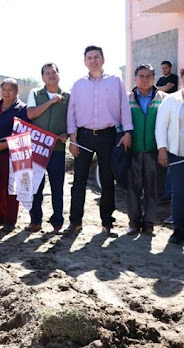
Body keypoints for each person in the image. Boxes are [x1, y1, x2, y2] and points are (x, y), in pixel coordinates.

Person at [64, 45, 133, 237]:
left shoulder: (115, 81)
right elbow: (72, 112)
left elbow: (124, 108)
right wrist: (72, 137)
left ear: (103, 59)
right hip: (83, 136)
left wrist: (128, 131)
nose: (93, 60)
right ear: (84, 61)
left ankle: (107, 223)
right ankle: (75, 222)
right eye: (89, 57)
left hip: (108, 136)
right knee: (79, 181)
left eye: (96, 57)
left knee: (107, 181)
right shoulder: (78, 85)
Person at [25, 63, 70, 233]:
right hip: (37, 149)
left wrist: (67, 133)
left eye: (54, 72)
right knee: (36, 186)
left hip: (57, 149)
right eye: (47, 73)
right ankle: (35, 220)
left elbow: (73, 120)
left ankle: (57, 221)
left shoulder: (68, 96)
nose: (51, 75)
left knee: (57, 187)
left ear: (59, 74)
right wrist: (51, 102)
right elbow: (31, 114)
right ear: (42, 77)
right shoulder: (35, 94)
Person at [125, 64, 168, 236]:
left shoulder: (163, 98)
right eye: (141, 76)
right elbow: (120, 121)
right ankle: (134, 223)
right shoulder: (127, 98)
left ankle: (149, 223)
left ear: (154, 78)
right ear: (135, 78)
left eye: (148, 76)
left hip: (154, 150)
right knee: (132, 188)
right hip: (133, 150)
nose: (144, 79)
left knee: (152, 188)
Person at [0, 78, 29, 232]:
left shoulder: (22, 109)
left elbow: (23, 134)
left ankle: (10, 219)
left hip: (12, 153)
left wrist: (3, 145)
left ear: (17, 92)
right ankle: (0, 215)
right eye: (4, 90)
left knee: (11, 186)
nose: (6, 93)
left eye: (10, 90)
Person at [155, 69, 184, 244]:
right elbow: (160, 127)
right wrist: (162, 150)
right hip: (176, 154)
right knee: (179, 192)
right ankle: (179, 230)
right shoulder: (171, 100)